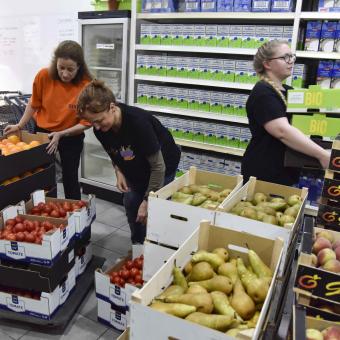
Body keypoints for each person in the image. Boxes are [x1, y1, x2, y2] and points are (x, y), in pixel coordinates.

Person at [77, 80, 181, 244]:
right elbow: (115, 152)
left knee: (155, 211)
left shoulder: (138, 123)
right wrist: (119, 172)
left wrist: (148, 200)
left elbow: (158, 167)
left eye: (99, 120)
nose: (96, 127)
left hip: (163, 165)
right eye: (92, 123)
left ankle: (159, 249)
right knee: (132, 203)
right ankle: (138, 248)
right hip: (137, 167)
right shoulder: (102, 130)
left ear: (112, 107)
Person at [4, 40, 92, 199]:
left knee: (70, 177)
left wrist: (62, 134)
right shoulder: (44, 76)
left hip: (71, 136)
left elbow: (87, 122)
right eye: (61, 68)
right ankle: (45, 209)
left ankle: (74, 215)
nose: (65, 74)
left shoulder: (86, 85)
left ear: (79, 67)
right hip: (44, 134)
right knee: (42, 174)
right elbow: (34, 103)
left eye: (70, 69)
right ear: (55, 64)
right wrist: (20, 125)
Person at [241, 39, 330, 186]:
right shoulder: (263, 92)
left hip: (286, 168)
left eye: (292, 57)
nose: (291, 61)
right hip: (265, 170)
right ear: (267, 63)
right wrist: (321, 154)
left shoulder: (289, 91)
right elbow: (282, 131)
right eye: (285, 57)